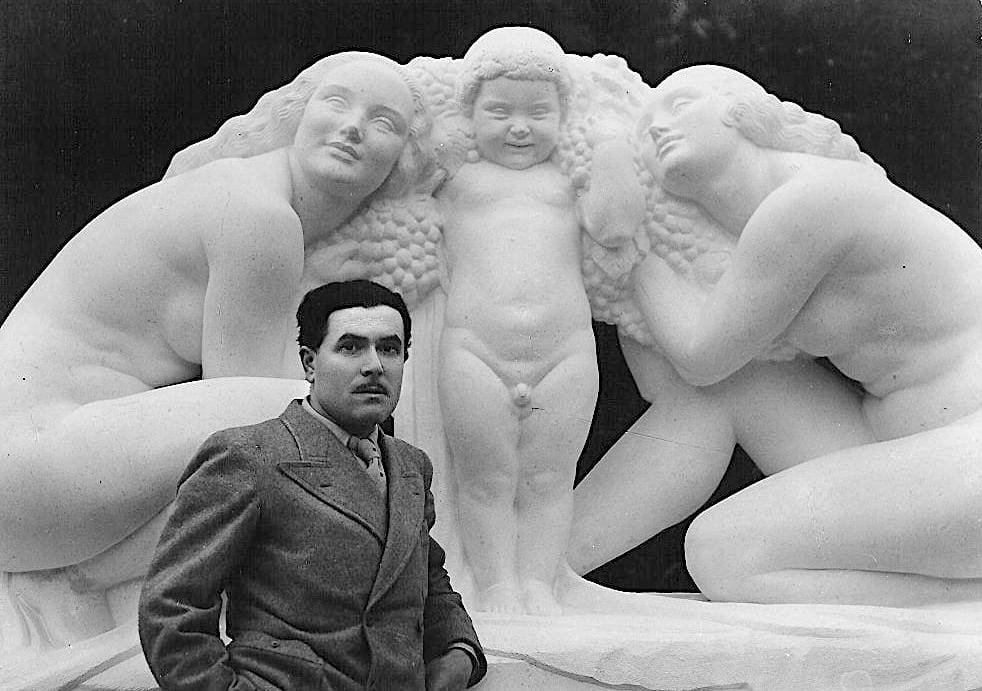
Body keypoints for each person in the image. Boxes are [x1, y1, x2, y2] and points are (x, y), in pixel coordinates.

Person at [0, 51, 428, 644]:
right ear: (297, 113)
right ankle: (81, 584)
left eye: (383, 121)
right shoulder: (259, 217)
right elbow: (252, 430)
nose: (353, 126)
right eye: (336, 101)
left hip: (44, 474)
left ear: (402, 160)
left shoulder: (243, 192)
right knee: (311, 420)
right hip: (29, 468)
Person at [630, 63, 982, 606]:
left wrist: (627, 249)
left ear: (741, 112)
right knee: (735, 389)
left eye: (679, 105)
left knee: (721, 551)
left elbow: (700, 356)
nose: (656, 128)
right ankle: (549, 575)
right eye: (641, 130)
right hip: (907, 449)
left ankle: (957, 612)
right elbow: (675, 384)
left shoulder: (809, 199)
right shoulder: (755, 232)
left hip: (966, 456)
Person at [139, 280, 486, 690]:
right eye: (351, 347)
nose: (374, 365)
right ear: (309, 363)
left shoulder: (412, 466)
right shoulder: (248, 456)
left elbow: (427, 580)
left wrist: (459, 651)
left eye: (389, 349)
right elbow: (173, 605)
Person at [434, 27, 644, 615]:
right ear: (470, 113)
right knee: (485, 480)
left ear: (562, 116)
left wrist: (609, 142)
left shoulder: (568, 183)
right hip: (474, 350)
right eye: (499, 112)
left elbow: (616, 225)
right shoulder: (456, 181)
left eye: (539, 113)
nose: (519, 128)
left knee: (550, 479)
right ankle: (497, 586)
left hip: (565, 351)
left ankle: (539, 585)